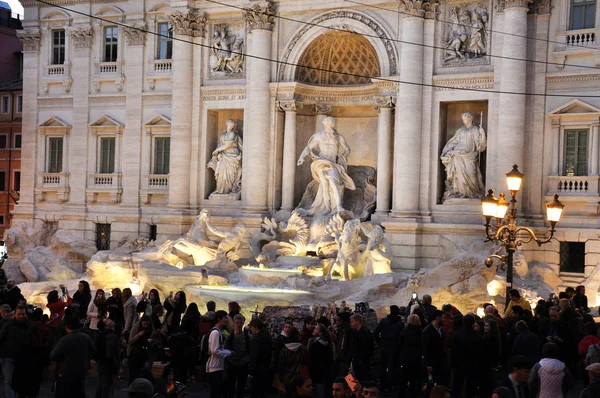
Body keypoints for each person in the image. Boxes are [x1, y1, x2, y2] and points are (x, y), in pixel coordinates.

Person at [296, 116, 355, 216]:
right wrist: (301, 157)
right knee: (324, 184)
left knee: (332, 181)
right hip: (321, 162)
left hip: (333, 163)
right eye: (328, 123)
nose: (330, 125)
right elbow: (308, 148)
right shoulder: (319, 136)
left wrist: (342, 158)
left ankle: (337, 206)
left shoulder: (339, 137)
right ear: (324, 124)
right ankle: (326, 207)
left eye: (331, 123)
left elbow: (347, 149)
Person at [440, 111, 487, 199]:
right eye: (463, 119)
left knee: (471, 174)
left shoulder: (476, 130)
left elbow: (480, 146)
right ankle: (459, 191)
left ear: (470, 118)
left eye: (465, 119)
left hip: (470, 156)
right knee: (458, 175)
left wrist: (483, 134)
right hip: (458, 155)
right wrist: (446, 151)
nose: (463, 121)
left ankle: (473, 192)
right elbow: (454, 141)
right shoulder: (460, 130)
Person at [50, 315, 97, 398]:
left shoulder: (64, 340)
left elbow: (53, 356)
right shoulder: (86, 337)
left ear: (66, 326)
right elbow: (94, 352)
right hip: (81, 372)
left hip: (65, 374)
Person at [0, 305, 30, 398]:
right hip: (9, 356)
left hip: (22, 357)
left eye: (23, 314)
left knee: (20, 381)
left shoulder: (28, 325)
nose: (21, 316)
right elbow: (1, 338)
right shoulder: (8, 325)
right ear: (15, 314)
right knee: (8, 381)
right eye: (19, 314)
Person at [207, 118, 243, 196]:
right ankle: (221, 189)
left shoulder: (233, 134)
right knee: (222, 173)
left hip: (233, 156)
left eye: (232, 124)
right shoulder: (223, 135)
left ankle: (229, 189)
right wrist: (217, 153)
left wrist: (216, 151)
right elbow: (221, 144)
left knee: (231, 175)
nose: (231, 125)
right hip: (223, 156)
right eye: (230, 124)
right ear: (227, 124)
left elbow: (228, 145)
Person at [373, 305, 403, 392]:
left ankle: (383, 386)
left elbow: (375, 333)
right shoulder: (400, 323)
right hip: (395, 348)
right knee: (393, 367)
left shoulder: (384, 321)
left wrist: (380, 342)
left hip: (384, 347)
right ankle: (391, 386)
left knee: (383, 367)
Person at [450, 314, 481, 398]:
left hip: (459, 365)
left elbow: (453, 351)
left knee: (456, 386)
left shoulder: (457, 334)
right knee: (471, 388)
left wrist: (452, 364)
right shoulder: (477, 336)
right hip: (472, 366)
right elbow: (479, 352)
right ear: (473, 323)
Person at [206, 310, 232, 398]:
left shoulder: (218, 332)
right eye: (225, 318)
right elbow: (215, 351)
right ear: (219, 319)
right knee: (215, 393)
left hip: (217, 366)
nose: (227, 320)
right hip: (215, 367)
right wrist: (228, 353)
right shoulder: (215, 333)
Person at [277, 326, 308, 397]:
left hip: (286, 378)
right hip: (299, 378)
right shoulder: (303, 349)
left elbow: (281, 365)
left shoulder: (284, 350)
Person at [225, 314, 250, 398]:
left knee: (241, 388)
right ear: (234, 323)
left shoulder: (247, 337)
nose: (239, 325)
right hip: (232, 365)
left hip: (243, 365)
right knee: (230, 387)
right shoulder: (230, 337)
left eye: (240, 323)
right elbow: (226, 350)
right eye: (237, 323)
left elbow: (249, 350)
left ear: (243, 323)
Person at [398, 314, 423, 397]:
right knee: (415, 378)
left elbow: (400, 343)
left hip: (406, 357)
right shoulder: (420, 331)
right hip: (416, 358)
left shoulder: (404, 330)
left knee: (404, 377)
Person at [95, 319, 121, 398]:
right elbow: (110, 353)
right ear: (106, 327)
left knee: (101, 387)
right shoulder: (111, 336)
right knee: (107, 390)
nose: (109, 320)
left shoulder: (102, 335)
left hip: (102, 365)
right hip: (109, 366)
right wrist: (116, 364)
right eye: (106, 321)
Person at [422, 310, 447, 388]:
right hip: (432, 362)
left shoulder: (440, 329)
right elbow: (425, 348)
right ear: (437, 318)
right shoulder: (427, 331)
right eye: (442, 318)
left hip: (440, 361)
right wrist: (428, 364)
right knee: (431, 384)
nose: (444, 320)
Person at [308, 323, 333, 398]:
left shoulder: (314, 342)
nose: (314, 329)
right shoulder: (327, 342)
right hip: (324, 370)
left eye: (316, 328)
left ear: (320, 332)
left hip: (316, 369)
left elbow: (310, 355)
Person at [128, 315, 155, 383]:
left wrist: (152, 341)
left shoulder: (151, 330)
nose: (145, 326)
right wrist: (139, 335)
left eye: (147, 324)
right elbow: (130, 341)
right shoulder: (136, 328)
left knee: (145, 373)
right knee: (134, 374)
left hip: (146, 353)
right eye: (144, 324)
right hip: (135, 353)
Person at [349, 314, 373, 384]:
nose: (351, 323)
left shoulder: (364, 333)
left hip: (362, 361)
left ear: (358, 321)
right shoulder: (355, 332)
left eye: (352, 321)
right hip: (357, 360)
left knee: (361, 379)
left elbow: (367, 347)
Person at [334, 311, 352, 377]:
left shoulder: (347, 330)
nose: (336, 322)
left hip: (345, 358)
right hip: (340, 357)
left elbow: (344, 345)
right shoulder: (340, 329)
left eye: (338, 321)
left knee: (344, 376)